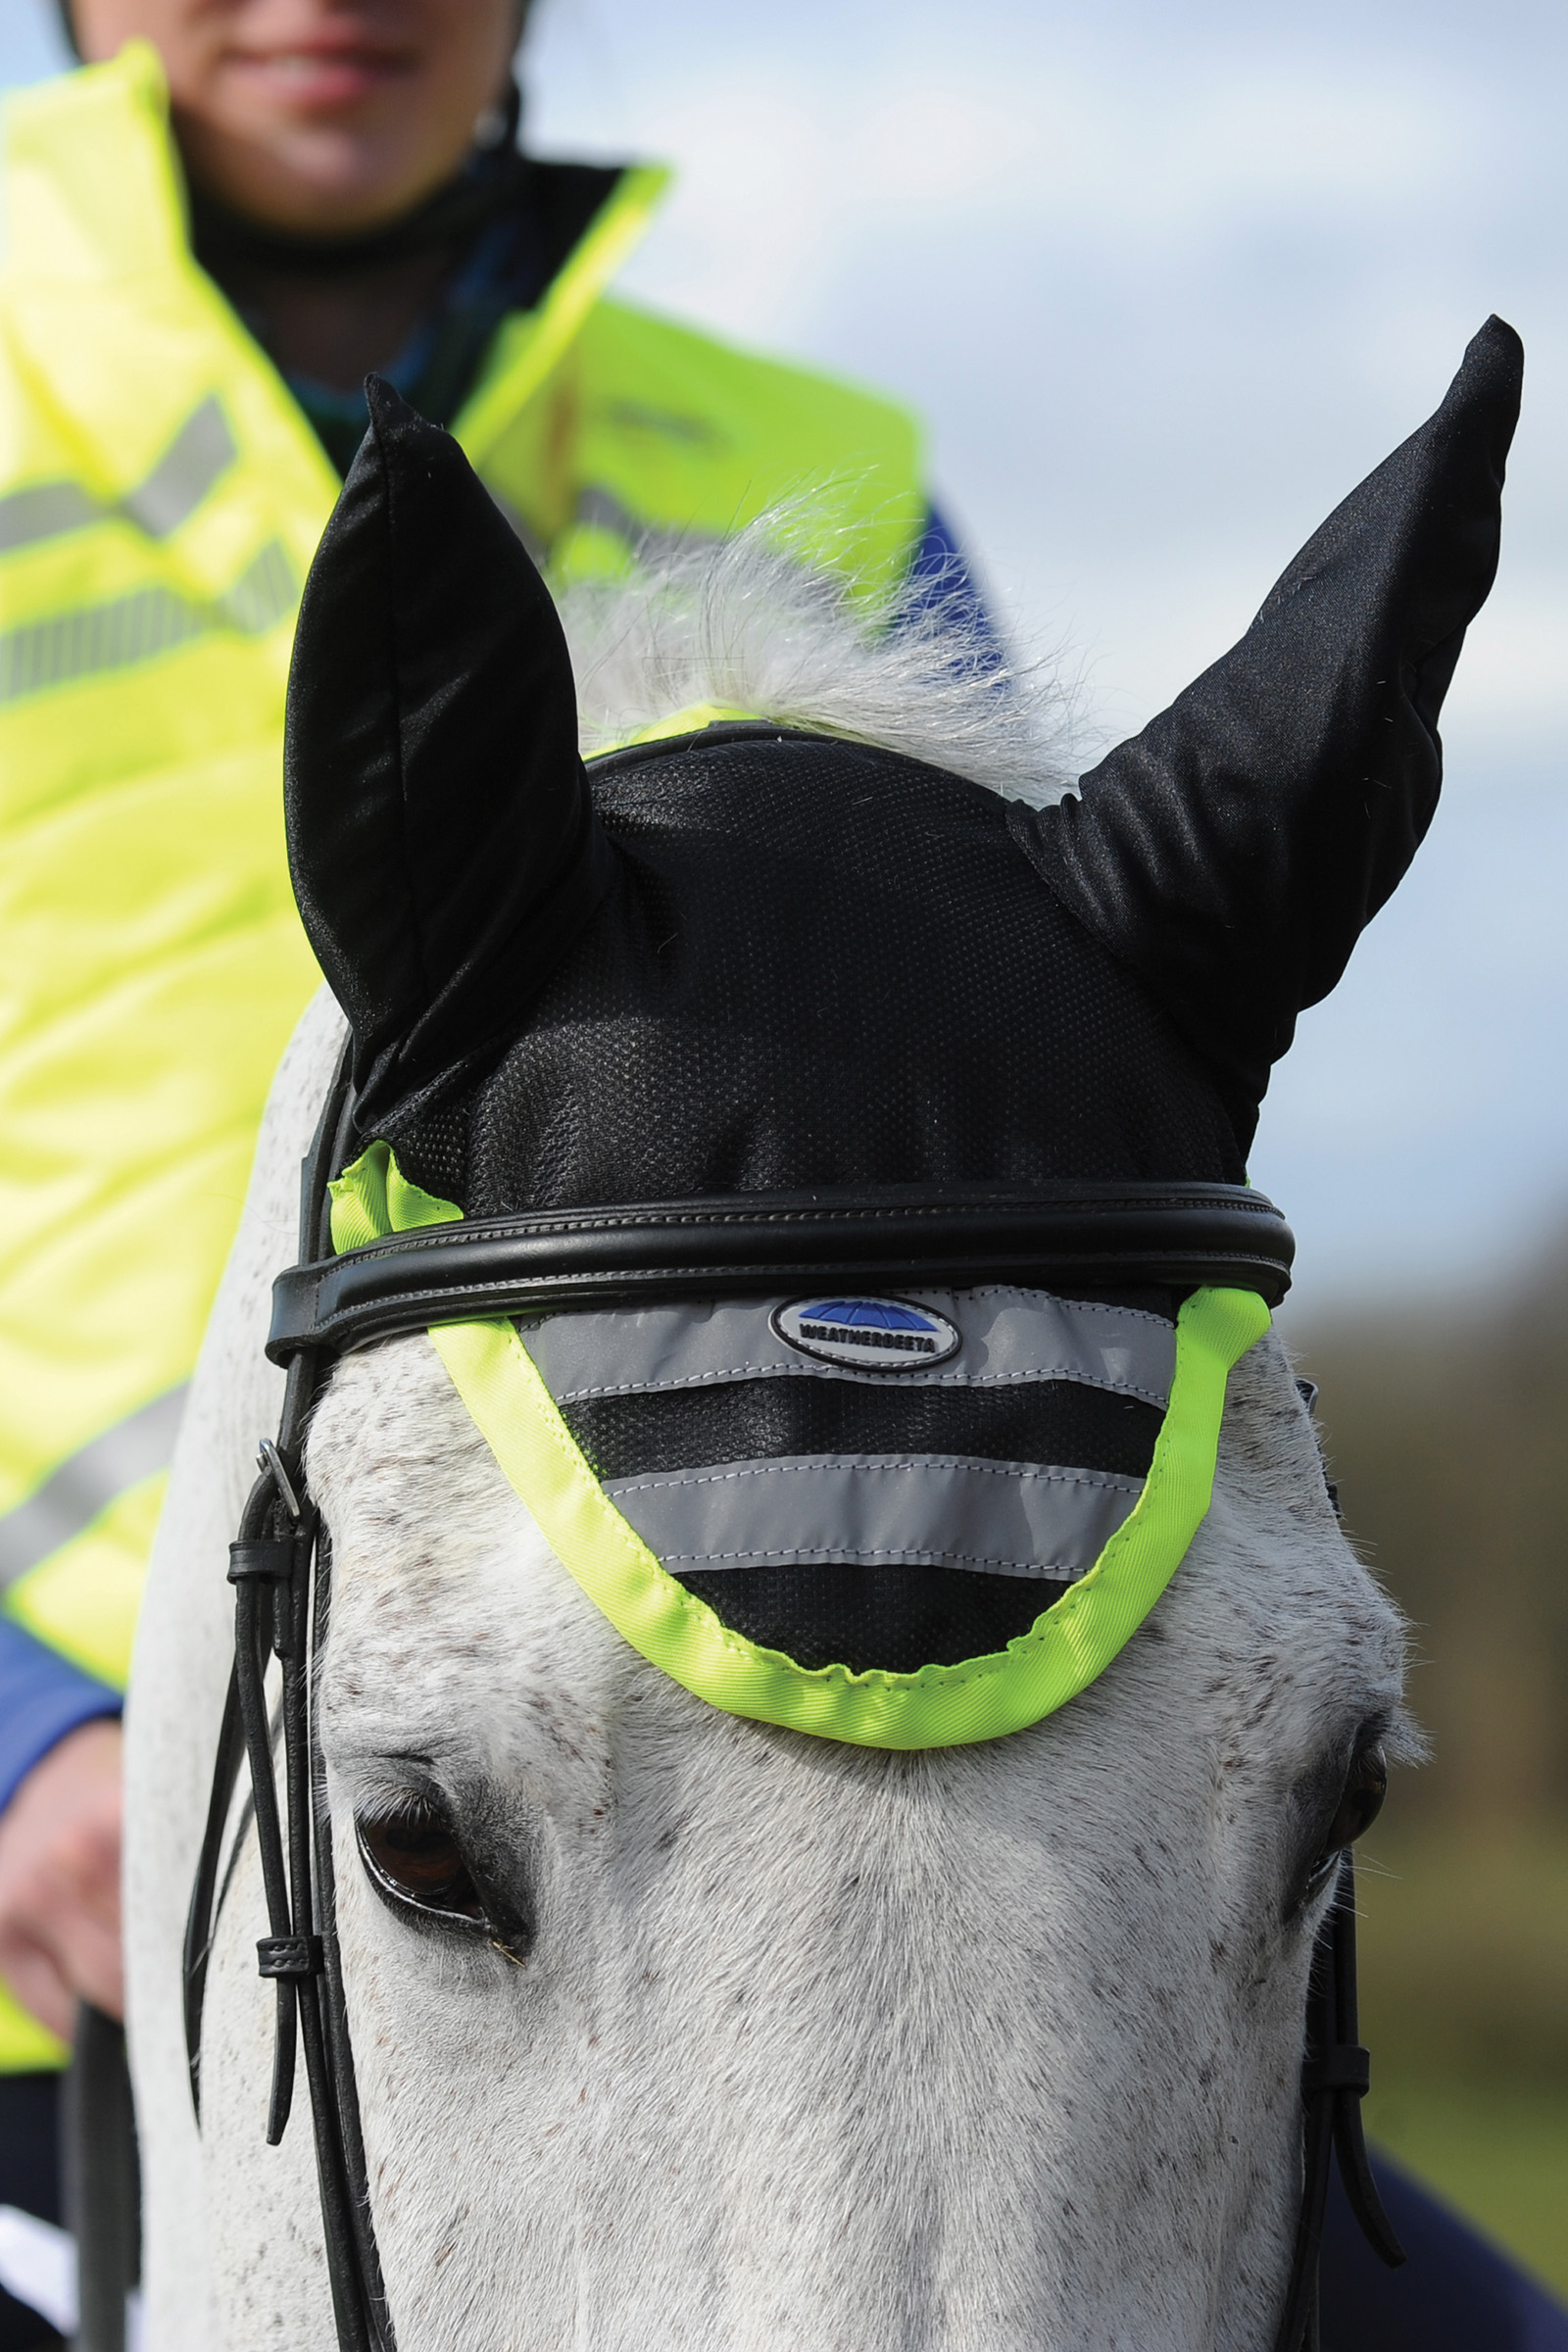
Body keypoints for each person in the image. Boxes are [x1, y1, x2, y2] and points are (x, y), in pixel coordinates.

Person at [0, 10, 1559, 2352]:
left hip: (838, 1917)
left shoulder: (808, 463)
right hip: (81, 1921)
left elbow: (1014, 1178)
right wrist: (26, 1734)